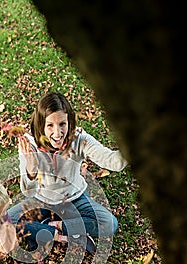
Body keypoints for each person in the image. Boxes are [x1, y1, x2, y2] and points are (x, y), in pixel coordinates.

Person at [7, 92, 128, 253]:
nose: (57, 134)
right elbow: (29, 191)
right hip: (42, 200)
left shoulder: (79, 139)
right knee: (7, 220)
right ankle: (65, 235)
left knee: (109, 224)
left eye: (62, 124)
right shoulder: (30, 144)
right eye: (50, 125)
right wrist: (31, 166)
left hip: (74, 198)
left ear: (69, 122)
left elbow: (114, 161)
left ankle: (55, 226)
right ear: (41, 124)